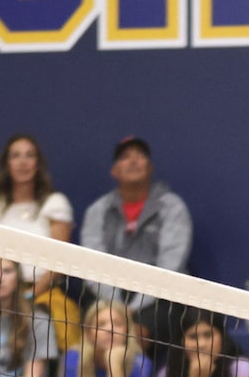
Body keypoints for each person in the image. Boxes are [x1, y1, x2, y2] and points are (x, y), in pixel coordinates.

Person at [77, 136, 193, 328]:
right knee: (103, 329)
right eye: (125, 157)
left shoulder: (172, 207)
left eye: (140, 156)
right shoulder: (98, 210)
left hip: (158, 294)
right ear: (114, 171)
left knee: (137, 332)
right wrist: (116, 307)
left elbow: (170, 266)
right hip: (107, 291)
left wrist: (133, 308)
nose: (132, 161)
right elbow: (93, 265)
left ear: (150, 167)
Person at [0, 131, 80, 332]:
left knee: (61, 323)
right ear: (6, 164)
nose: (23, 162)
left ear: (38, 163)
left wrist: (28, 297)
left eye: (29, 155)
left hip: (45, 294)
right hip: (0, 295)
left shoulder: (55, 204)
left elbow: (59, 262)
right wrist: (7, 297)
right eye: (16, 156)